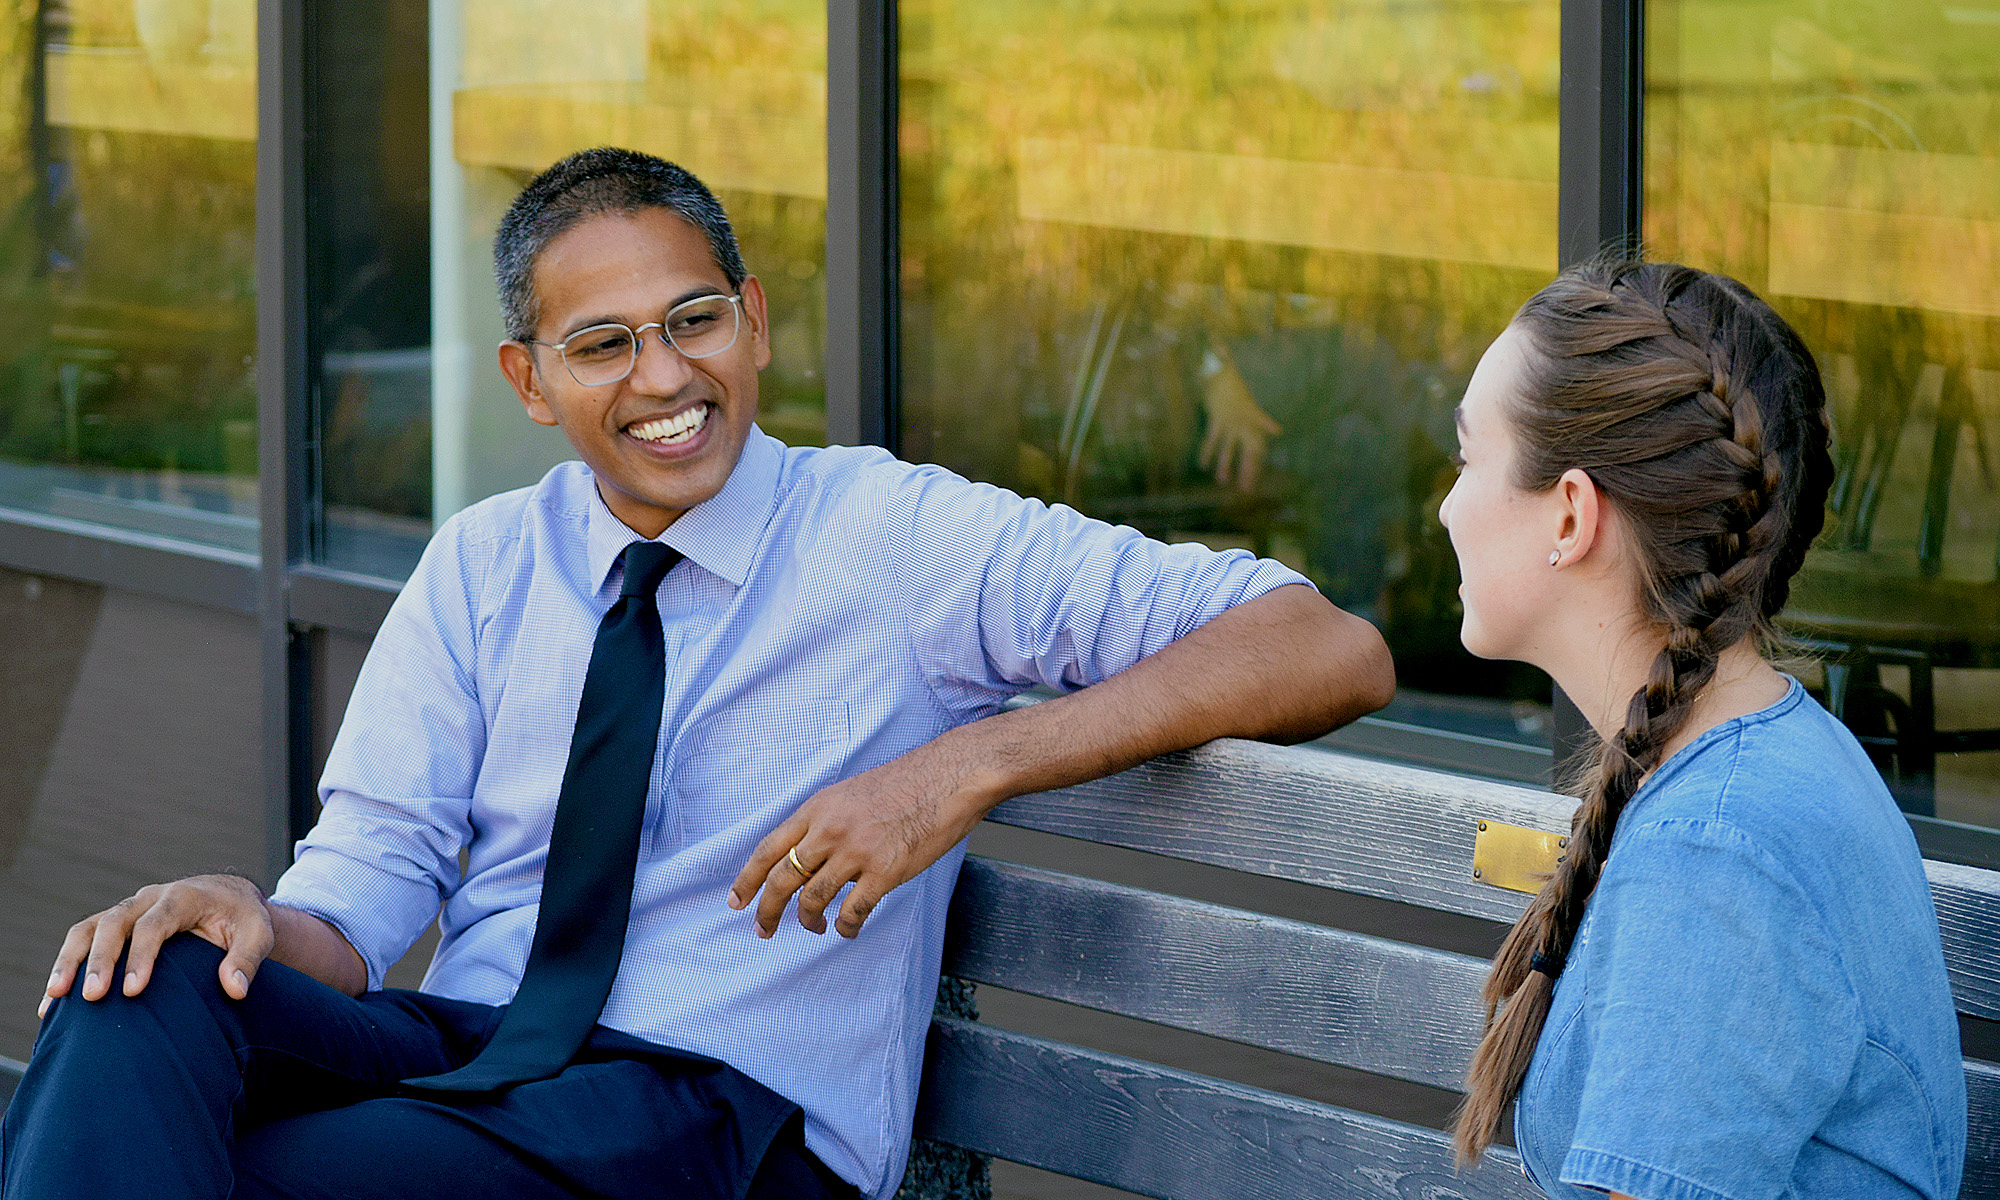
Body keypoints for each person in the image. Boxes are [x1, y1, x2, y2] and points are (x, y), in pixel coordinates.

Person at [1, 148, 1394, 1200]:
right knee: (144, 982)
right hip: (474, 1054)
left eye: (695, 320)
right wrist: (244, 918)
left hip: (718, 1110)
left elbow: (1325, 644)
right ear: (530, 380)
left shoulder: (893, 532)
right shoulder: (489, 562)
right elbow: (366, 889)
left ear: (757, 322)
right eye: (603, 343)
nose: (665, 374)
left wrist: (961, 768)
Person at [1439, 258, 1965, 1198]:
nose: (1446, 507)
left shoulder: (1716, 848)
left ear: (1570, 513)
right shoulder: (1746, 772)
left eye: (1470, 459)